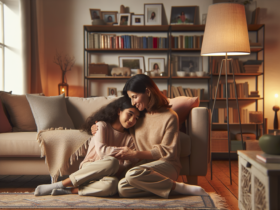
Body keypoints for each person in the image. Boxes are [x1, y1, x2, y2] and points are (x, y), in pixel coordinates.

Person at [91, 74, 207, 198]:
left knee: (132, 174)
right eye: (131, 98)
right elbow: (116, 121)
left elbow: (168, 151)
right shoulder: (137, 116)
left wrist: (135, 154)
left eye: (135, 97)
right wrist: (96, 126)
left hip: (167, 164)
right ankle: (170, 189)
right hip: (142, 168)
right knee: (123, 188)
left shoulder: (170, 116)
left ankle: (180, 186)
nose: (133, 102)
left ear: (147, 91)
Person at [34, 97, 144, 197]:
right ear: (119, 111)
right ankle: (60, 184)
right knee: (112, 162)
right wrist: (125, 153)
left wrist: (130, 158)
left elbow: (126, 165)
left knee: (113, 185)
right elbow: (102, 152)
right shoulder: (101, 126)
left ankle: (71, 190)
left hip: (110, 174)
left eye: (136, 118)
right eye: (130, 114)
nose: (132, 120)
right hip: (90, 167)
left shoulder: (130, 138)